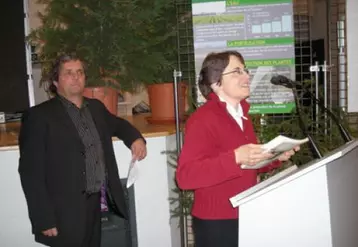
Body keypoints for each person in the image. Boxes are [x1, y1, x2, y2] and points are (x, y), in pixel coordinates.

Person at [18, 54, 147, 247]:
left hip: (94, 204)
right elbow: (30, 173)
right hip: (62, 212)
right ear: (55, 81)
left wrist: (135, 138)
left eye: (79, 72)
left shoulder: (95, 107)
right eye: (68, 73)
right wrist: (43, 218)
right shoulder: (39, 116)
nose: (76, 77)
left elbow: (118, 124)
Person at [176, 51, 300, 247]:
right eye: (236, 72)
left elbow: (246, 166)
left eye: (245, 70)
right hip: (217, 222)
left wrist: (275, 157)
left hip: (246, 212)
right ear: (216, 83)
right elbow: (185, 177)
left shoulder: (241, 114)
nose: (246, 76)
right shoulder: (202, 119)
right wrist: (234, 157)